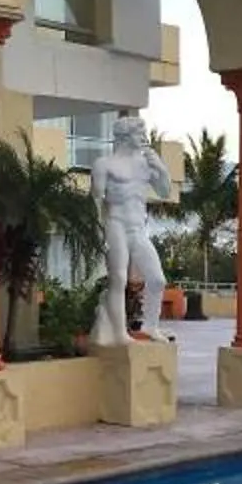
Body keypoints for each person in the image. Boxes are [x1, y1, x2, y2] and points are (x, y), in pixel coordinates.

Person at [91, 114, 173, 346]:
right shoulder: (104, 164)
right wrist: (99, 232)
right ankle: (119, 333)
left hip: (138, 228)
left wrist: (161, 168)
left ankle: (151, 326)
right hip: (115, 224)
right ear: (125, 137)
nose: (144, 137)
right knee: (118, 278)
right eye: (139, 133)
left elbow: (165, 191)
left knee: (157, 279)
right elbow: (96, 201)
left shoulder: (145, 162)